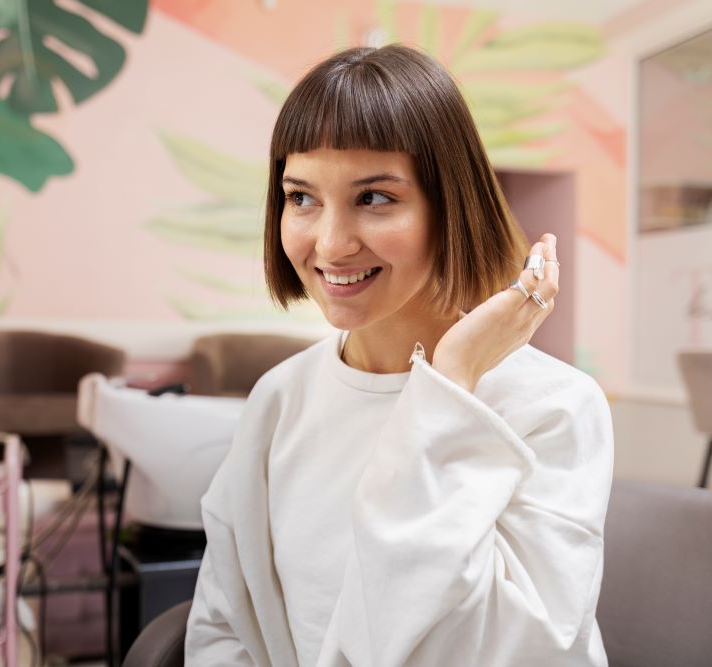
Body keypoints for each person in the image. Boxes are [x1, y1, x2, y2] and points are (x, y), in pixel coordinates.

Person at [185, 44, 613, 666]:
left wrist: (452, 384)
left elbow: (507, 649)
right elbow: (224, 623)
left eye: (375, 198)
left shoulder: (554, 407)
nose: (330, 244)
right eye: (301, 197)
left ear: (453, 208)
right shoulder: (281, 397)